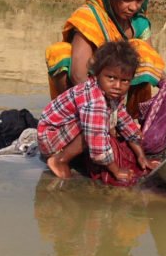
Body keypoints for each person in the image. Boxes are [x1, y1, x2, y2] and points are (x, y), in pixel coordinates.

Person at [44, 0, 166, 116]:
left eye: (139, 1)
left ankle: (132, 117)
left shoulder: (139, 23)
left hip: (120, 92)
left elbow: (151, 64)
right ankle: (71, 118)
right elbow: (78, 73)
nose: (133, 7)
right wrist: (99, 108)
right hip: (87, 97)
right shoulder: (89, 18)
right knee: (60, 53)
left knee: (142, 51)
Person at [37, 40, 159, 183]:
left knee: (106, 125)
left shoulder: (111, 94)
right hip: (51, 137)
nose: (117, 86)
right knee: (97, 128)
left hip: (65, 133)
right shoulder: (95, 101)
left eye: (125, 81)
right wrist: (116, 171)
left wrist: (141, 156)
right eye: (111, 78)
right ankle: (60, 160)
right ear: (97, 74)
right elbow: (97, 145)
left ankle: (69, 155)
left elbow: (126, 124)